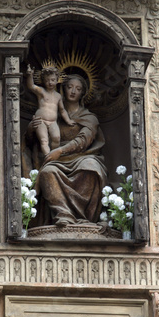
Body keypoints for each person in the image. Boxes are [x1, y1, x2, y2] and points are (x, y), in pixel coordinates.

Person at [32, 73, 107, 227]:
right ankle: (63, 215)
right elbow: (35, 138)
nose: (73, 91)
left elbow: (83, 141)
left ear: (82, 93)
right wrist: (31, 128)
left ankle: (86, 218)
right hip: (56, 159)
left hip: (83, 155)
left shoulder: (89, 118)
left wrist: (60, 151)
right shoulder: (54, 114)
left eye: (78, 89)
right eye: (70, 87)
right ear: (63, 89)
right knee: (47, 172)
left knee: (91, 168)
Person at [25, 64, 76, 156]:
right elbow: (31, 86)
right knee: (44, 140)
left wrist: (68, 120)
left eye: (53, 80)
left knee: (56, 138)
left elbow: (62, 110)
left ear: (57, 80)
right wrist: (29, 75)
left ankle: (53, 156)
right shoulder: (41, 92)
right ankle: (48, 158)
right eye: (47, 80)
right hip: (41, 121)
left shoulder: (58, 96)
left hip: (53, 122)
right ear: (44, 81)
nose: (50, 82)